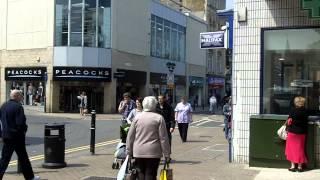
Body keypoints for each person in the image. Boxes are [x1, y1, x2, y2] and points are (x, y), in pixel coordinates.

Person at [126, 96, 170, 180]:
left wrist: (128, 151)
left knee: (141, 173)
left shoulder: (137, 118)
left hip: (138, 151)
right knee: (151, 174)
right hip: (153, 152)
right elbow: (163, 138)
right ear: (154, 105)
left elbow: (130, 136)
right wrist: (167, 154)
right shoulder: (159, 118)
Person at [0, 90, 40, 180]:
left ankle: (30, 177)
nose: (22, 97)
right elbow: (20, 123)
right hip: (17, 137)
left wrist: (1, 134)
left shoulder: (3, 106)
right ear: (17, 96)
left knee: (4, 159)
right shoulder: (18, 107)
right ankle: (30, 177)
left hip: (6, 136)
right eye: (21, 96)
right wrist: (24, 130)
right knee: (23, 158)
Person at [285, 96, 308, 172]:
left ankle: (292, 166)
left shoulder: (293, 110)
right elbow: (305, 122)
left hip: (292, 133)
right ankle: (300, 167)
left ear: (296, 102)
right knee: (300, 149)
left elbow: (289, 120)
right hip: (301, 133)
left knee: (291, 149)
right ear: (303, 103)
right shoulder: (305, 111)